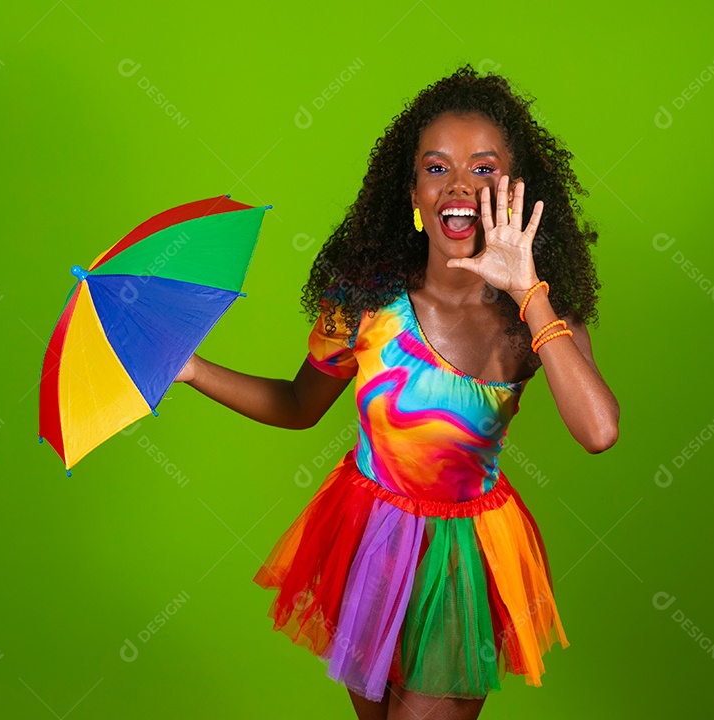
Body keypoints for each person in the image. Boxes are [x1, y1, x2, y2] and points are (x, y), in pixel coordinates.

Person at [173, 64, 619, 720]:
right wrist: (191, 369)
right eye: (437, 169)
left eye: (483, 168)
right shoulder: (361, 301)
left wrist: (528, 290)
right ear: (411, 191)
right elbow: (299, 407)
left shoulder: (536, 317)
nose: (460, 186)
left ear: (516, 190)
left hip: (459, 565)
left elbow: (599, 431)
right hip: (368, 543)